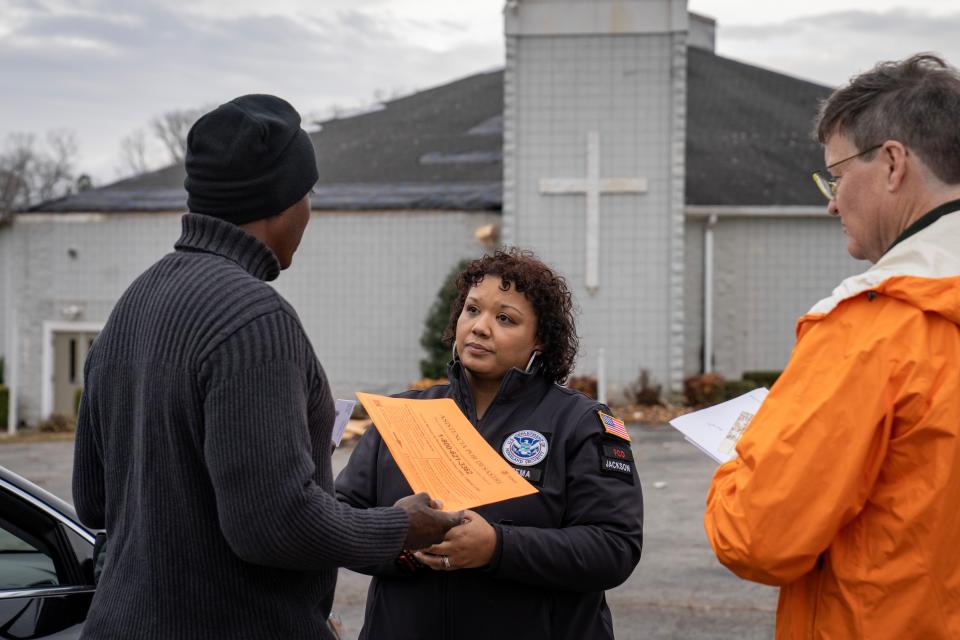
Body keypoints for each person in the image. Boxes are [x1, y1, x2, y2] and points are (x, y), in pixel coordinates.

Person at [72, 94, 461, 640]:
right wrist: (401, 526)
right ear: (281, 202)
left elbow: (93, 499)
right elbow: (273, 525)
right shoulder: (253, 319)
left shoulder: (134, 302)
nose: (310, 211)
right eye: (308, 194)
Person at [704, 54, 960, 638]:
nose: (831, 202)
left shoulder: (871, 329)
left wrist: (741, 456)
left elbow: (757, 536)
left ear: (893, 163)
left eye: (838, 175)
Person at [336, 248, 644, 640]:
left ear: (541, 341)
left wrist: (497, 547)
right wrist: (402, 542)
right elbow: (339, 520)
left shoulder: (581, 424)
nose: (480, 327)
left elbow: (613, 547)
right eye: (472, 310)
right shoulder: (401, 415)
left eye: (505, 319)